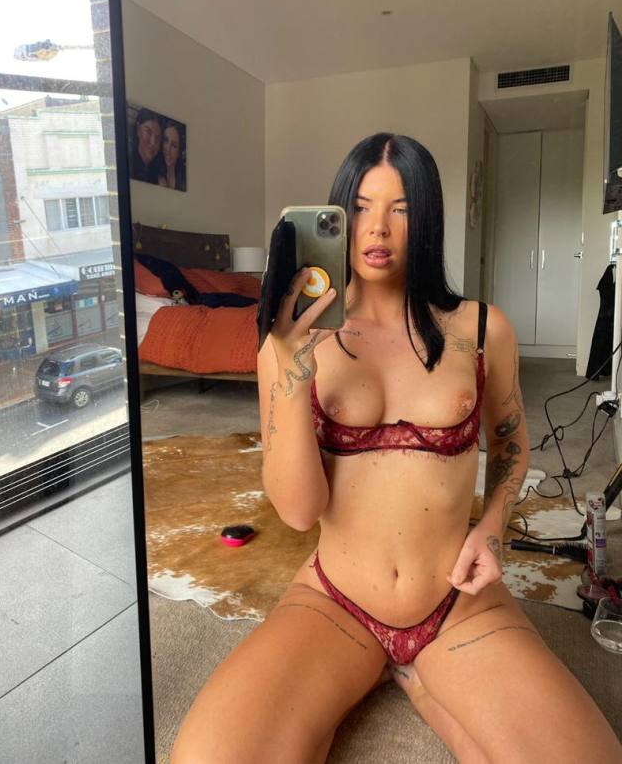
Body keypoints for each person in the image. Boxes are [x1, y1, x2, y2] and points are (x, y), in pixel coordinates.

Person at [171, 134, 622, 763]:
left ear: (427, 217)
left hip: (456, 600)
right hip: (335, 600)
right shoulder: (284, 343)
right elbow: (299, 512)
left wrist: (492, 529)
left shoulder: (482, 329)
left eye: (401, 208)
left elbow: (510, 445)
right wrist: (292, 372)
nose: (377, 227)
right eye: (358, 207)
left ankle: (426, 690)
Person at [130, 107, 161, 184]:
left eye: (157, 137)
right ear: (138, 129)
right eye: (148, 132)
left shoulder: (158, 174)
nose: (153, 142)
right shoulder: (129, 166)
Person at [158, 121, 186, 190]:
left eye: (174, 146)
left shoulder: (184, 176)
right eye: (166, 141)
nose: (168, 149)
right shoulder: (153, 171)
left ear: (179, 152)